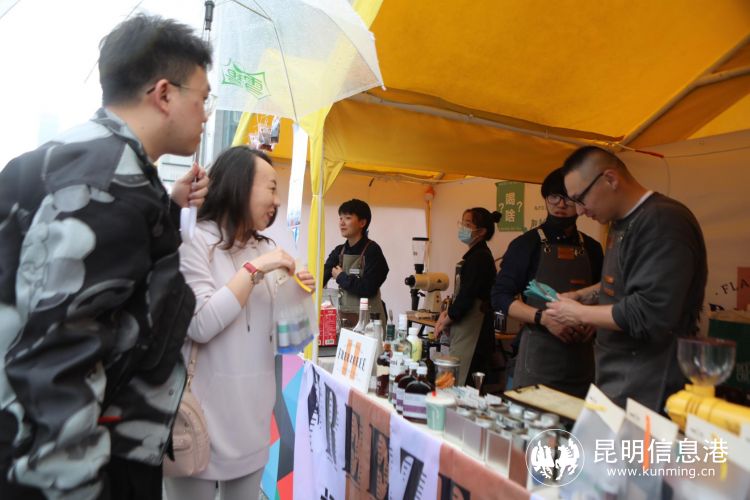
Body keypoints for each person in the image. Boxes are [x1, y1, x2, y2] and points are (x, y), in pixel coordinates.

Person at [0, 15, 212, 499]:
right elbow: (59, 358)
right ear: (164, 94)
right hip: (75, 461)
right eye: (202, 99)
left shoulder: (73, 158)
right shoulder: (111, 189)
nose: (205, 115)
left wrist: (166, 205)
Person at [165, 146, 315, 500]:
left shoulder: (266, 248)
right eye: (271, 187)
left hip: (253, 420)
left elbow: (287, 340)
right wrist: (254, 270)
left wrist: (296, 294)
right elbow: (200, 324)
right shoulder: (194, 241)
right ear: (239, 185)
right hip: (197, 421)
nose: (276, 200)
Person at [546, 146, 707, 412]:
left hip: (650, 387)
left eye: (580, 199)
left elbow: (649, 312)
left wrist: (577, 313)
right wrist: (584, 295)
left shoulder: (662, 221)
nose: (580, 210)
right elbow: (627, 281)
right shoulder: (621, 222)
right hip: (617, 379)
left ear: (610, 179)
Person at [491, 168, 603, 398]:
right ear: (545, 199)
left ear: (581, 202)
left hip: (582, 359)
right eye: (554, 197)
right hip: (538, 355)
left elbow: (606, 293)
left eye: (568, 198)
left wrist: (594, 322)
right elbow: (500, 296)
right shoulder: (526, 244)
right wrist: (543, 318)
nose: (560, 204)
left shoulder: (592, 247)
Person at [435, 208, 501, 386]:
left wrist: (446, 320)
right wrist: (446, 314)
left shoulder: (480, 258)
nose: (462, 228)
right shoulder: (475, 256)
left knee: (464, 382)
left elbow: (467, 296)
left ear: (481, 231)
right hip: (467, 326)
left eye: (468, 224)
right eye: (462, 223)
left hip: (475, 332)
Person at [323, 199, 389, 327]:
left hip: (370, 322)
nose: (342, 223)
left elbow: (368, 288)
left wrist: (342, 277)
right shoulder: (339, 251)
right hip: (346, 320)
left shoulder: (373, 251)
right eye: (340, 218)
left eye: (347, 218)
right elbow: (322, 277)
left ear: (362, 223)